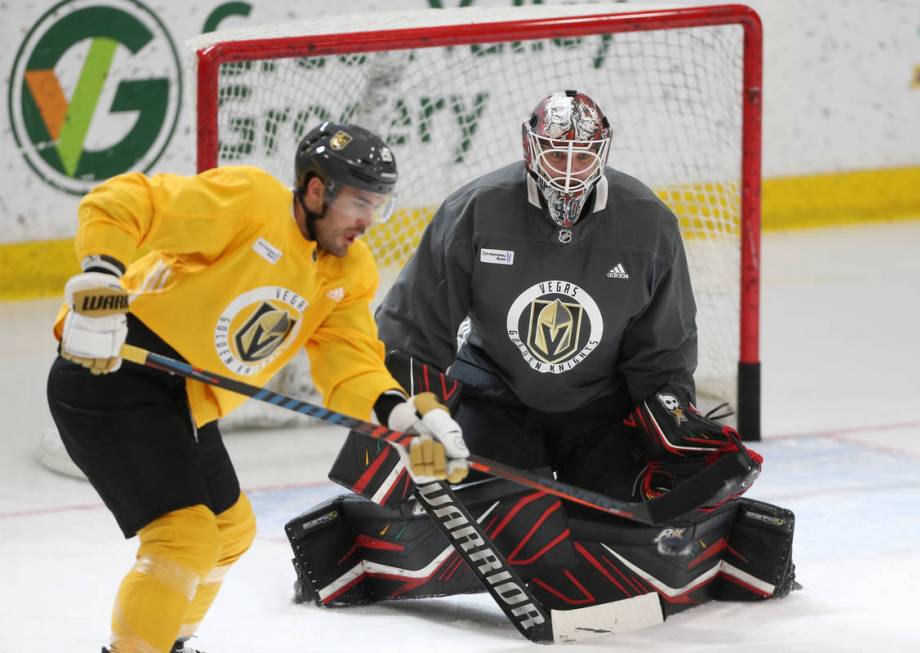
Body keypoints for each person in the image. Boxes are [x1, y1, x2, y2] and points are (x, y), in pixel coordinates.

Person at [284, 93, 796, 621]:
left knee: (627, 519)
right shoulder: (475, 210)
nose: (570, 171)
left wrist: (671, 427)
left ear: (603, 152)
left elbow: (662, 356)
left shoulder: (647, 224)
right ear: (531, 149)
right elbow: (415, 334)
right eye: (557, 155)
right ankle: (351, 540)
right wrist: (420, 422)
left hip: (601, 411)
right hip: (494, 397)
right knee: (476, 502)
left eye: (582, 156)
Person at [46, 121, 469, 653]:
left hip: (183, 398)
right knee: (184, 537)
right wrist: (103, 277)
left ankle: (166, 642)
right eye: (360, 202)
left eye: (377, 205)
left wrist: (401, 417)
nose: (368, 220)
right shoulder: (250, 202)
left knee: (229, 531)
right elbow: (125, 200)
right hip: (113, 369)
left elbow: (350, 363)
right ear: (317, 190)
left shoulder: (347, 271)